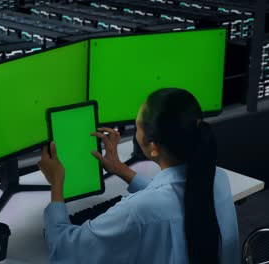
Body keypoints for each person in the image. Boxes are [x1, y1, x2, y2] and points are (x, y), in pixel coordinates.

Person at [38, 88, 240, 264]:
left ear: (154, 147)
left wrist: (56, 184)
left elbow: (68, 250)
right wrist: (120, 169)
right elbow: (174, 198)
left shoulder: (138, 211)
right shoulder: (217, 178)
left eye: (138, 126)